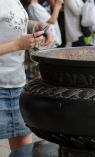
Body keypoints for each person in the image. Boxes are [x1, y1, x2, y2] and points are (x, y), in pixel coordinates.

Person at [0, 0, 53, 151]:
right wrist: (16, 45)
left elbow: (10, 20)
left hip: (17, 85)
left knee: (24, 152)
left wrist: (37, 26)